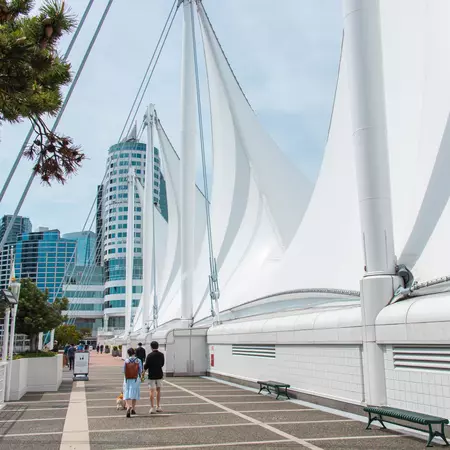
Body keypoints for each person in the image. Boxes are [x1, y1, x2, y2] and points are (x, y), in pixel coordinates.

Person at [144, 341, 165, 414]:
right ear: (158, 346)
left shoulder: (149, 355)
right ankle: (158, 406)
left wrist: (143, 372)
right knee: (158, 390)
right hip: (159, 374)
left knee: (151, 391)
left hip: (151, 375)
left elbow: (146, 365)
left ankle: (152, 407)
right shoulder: (161, 355)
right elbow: (162, 364)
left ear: (151, 347)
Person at [123, 347, 142, 418]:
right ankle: (133, 409)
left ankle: (128, 406)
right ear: (134, 353)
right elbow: (140, 370)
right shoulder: (138, 360)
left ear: (128, 353)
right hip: (135, 379)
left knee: (127, 392)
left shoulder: (126, 360)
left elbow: (124, 370)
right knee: (134, 392)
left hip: (127, 379)